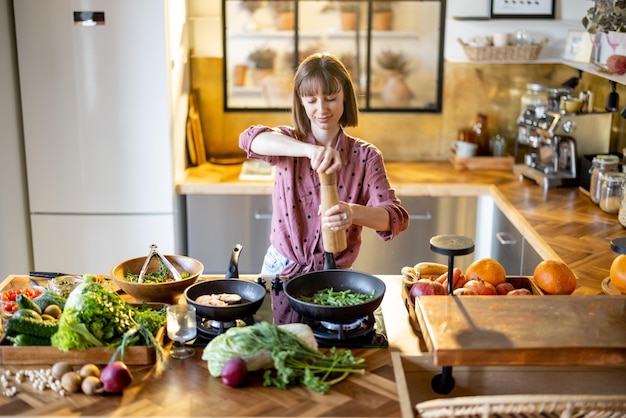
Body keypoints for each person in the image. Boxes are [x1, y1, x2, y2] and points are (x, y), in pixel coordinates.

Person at [238, 52, 410, 324]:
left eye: (330, 98)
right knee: (281, 348)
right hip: (282, 270)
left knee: (334, 350)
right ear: (301, 101)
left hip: (336, 276)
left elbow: (395, 217)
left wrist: (352, 213)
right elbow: (249, 139)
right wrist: (308, 150)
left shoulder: (366, 156)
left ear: (345, 97)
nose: (322, 108)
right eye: (311, 99)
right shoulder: (287, 144)